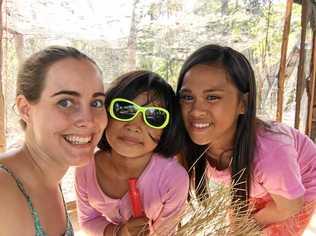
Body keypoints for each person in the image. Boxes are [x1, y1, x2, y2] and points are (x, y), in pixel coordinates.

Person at [176, 44, 316, 235]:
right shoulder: (186, 141)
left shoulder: (270, 153)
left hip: (295, 193)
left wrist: (247, 226)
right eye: (187, 97)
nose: (196, 110)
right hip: (260, 186)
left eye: (212, 97)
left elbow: (290, 205)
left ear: (243, 103)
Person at [0, 46, 108, 235]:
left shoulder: (50, 176)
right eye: (65, 102)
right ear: (26, 109)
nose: (88, 120)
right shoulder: (4, 191)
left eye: (96, 103)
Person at [75, 70, 189, 236]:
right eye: (124, 109)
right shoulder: (85, 167)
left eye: (154, 116)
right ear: (105, 113)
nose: (134, 125)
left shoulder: (173, 179)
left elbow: (165, 232)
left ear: (167, 129)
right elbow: (88, 221)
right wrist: (120, 232)